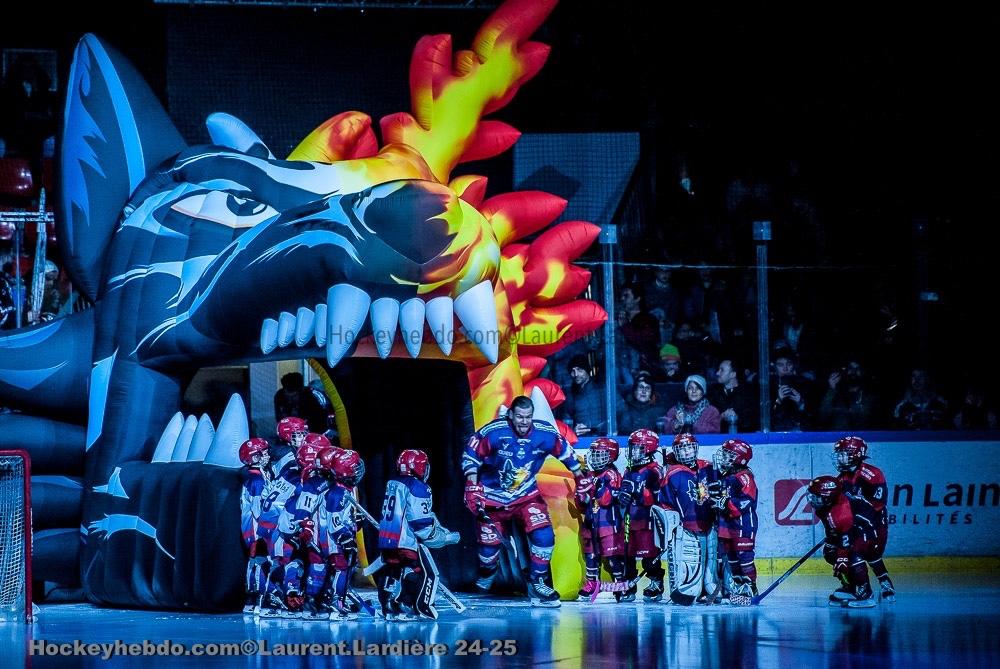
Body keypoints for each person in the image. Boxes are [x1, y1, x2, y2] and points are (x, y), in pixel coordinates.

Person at [462, 395, 586, 607]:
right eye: (520, 416)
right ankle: (488, 572)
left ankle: (538, 582)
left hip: (526, 496)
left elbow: (567, 454)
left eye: (528, 417)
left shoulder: (545, 434)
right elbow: (471, 455)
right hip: (492, 498)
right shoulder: (494, 432)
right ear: (511, 415)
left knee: (544, 536)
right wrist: (472, 486)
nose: (524, 422)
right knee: (488, 553)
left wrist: (581, 478)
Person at [377, 449, 459, 620]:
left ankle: (388, 607)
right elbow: (420, 523)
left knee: (393, 570)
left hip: (386, 539)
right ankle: (411, 604)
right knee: (421, 571)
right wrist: (442, 537)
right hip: (405, 541)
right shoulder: (419, 487)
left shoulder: (392, 482)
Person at [832, 436, 894, 601]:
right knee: (852, 552)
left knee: (864, 553)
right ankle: (863, 585)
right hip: (856, 524)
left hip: (875, 523)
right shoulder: (841, 478)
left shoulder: (873, 474)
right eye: (839, 454)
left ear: (856, 453)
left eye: (843, 453)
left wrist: (856, 518)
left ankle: (865, 589)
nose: (840, 458)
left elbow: (878, 504)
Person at [807, 475, 883, 608]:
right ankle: (851, 587)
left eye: (816, 496)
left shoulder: (841, 513)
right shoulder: (825, 506)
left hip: (868, 532)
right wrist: (832, 540)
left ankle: (865, 591)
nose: (812, 500)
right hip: (851, 530)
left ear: (828, 497)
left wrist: (842, 559)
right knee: (830, 552)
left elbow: (845, 540)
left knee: (851, 555)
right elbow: (832, 527)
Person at [658, 433, 717, 604]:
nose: (686, 452)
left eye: (690, 448)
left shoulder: (708, 467)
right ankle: (687, 589)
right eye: (682, 449)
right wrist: (672, 524)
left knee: (711, 559)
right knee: (690, 561)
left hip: (710, 524)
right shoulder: (673, 473)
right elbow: (665, 504)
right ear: (676, 452)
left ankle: (710, 589)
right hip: (687, 528)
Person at [316, 447, 366, 620]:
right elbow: (334, 521)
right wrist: (344, 538)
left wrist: (356, 521)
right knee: (341, 568)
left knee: (345, 568)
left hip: (340, 537)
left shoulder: (345, 489)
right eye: (355, 467)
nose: (358, 470)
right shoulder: (337, 493)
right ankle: (336, 604)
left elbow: (345, 516)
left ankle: (335, 600)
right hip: (334, 540)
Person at [575, 437, 626, 601]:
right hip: (591, 522)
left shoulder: (611, 475)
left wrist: (591, 489)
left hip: (608, 524)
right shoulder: (590, 475)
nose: (595, 458)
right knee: (591, 555)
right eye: (594, 454)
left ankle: (620, 584)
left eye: (600, 455)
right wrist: (581, 494)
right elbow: (582, 505)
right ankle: (592, 584)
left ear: (611, 456)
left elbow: (605, 500)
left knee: (612, 557)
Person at [709, 438, 758, 606]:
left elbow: (747, 500)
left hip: (743, 525)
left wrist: (726, 504)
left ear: (740, 458)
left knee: (744, 556)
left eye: (728, 455)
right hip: (727, 526)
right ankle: (739, 586)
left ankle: (751, 586)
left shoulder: (744, 477)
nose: (723, 457)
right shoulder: (726, 476)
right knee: (732, 559)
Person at [619, 428, 665, 602]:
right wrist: (621, 496)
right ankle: (629, 586)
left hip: (647, 521)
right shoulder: (629, 469)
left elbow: (656, 498)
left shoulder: (654, 471)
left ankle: (656, 582)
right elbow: (623, 491)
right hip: (629, 519)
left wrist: (639, 492)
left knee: (649, 556)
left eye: (637, 447)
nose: (633, 451)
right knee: (628, 556)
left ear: (649, 449)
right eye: (632, 447)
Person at [238, 437, 271, 614]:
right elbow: (258, 507)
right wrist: (268, 524)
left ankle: (256, 595)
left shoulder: (258, 474)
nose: (267, 455)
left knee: (259, 558)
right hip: (255, 525)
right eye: (262, 452)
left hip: (255, 523)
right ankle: (255, 596)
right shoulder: (256, 479)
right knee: (258, 558)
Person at [818, 360, 880, 431]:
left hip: (862, 436)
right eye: (850, 368)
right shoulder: (835, 393)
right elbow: (822, 417)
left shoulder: (870, 396)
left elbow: (876, 422)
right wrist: (831, 389)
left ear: (862, 372)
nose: (853, 371)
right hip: (838, 436)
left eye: (857, 369)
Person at [708, 358, 759, 433]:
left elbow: (754, 420)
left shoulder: (748, 394)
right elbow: (707, 421)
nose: (717, 373)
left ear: (733, 374)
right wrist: (721, 417)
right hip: (719, 437)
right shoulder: (712, 393)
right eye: (718, 369)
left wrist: (736, 418)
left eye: (722, 370)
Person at [560, 354, 605, 436]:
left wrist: (594, 429)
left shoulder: (602, 390)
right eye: (572, 371)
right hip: (581, 440)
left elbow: (621, 416)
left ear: (587, 370)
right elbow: (565, 423)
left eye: (579, 370)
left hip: (604, 438)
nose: (576, 374)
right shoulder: (570, 395)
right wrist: (573, 430)